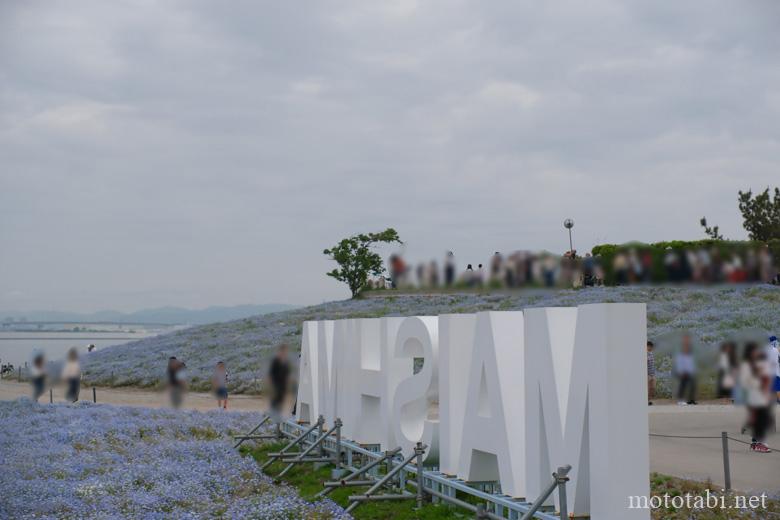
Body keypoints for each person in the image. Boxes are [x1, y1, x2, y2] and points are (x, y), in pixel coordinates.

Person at [740, 342, 772, 453]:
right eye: (754, 351)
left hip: (762, 395)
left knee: (763, 419)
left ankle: (759, 441)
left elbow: (766, 378)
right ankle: (756, 442)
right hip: (753, 396)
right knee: (758, 419)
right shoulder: (746, 365)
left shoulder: (759, 363)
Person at [268, 344, 291, 417]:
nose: (285, 352)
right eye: (283, 351)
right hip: (276, 381)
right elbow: (271, 372)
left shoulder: (286, 360)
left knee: (282, 396)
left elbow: (287, 371)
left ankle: (279, 411)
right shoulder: (275, 360)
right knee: (276, 396)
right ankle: (273, 411)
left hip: (283, 382)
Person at [674, 335, 697, 405]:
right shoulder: (680, 352)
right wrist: (681, 372)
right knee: (682, 386)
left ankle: (691, 400)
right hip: (683, 372)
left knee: (693, 385)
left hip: (690, 372)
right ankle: (680, 400)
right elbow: (679, 362)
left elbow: (691, 362)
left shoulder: (690, 352)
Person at [767, 335, 780, 404]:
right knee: (778, 387)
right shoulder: (777, 349)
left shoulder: (767, 349)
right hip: (776, 371)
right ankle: (778, 400)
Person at [646, 341, 656, 406]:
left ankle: (649, 399)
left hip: (653, 374)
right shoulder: (645, 353)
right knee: (648, 388)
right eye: (651, 347)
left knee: (653, 388)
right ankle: (647, 401)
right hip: (648, 374)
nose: (652, 348)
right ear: (648, 346)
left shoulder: (651, 353)